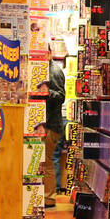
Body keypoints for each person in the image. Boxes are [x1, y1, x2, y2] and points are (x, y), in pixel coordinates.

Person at [42, 56, 66, 207]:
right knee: (45, 161)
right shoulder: (44, 69)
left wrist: (46, 91)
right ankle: (45, 196)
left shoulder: (54, 70)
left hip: (51, 125)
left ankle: (48, 198)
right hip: (45, 123)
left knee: (47, 162)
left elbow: (61, 96)